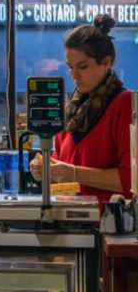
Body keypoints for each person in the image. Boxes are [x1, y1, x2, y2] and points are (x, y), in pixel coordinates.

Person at [29, 14, 133, 203]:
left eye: (82, 67)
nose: (74, 75)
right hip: (71, 222)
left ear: (106, 63)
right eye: (70, 67)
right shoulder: (72, 109)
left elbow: (131, 178)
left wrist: (75, 173)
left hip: (108, 225)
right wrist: (45, 172)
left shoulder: (124, 104)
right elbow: (61, 173)